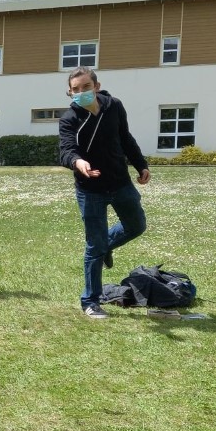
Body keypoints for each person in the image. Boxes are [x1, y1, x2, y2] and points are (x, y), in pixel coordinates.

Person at [57, 67, 150, 319]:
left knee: (137, 225)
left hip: (120, 183)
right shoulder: (69, 119)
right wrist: (78, 163)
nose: (81, 93)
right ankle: (90, 300)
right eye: (75, 90)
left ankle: (106, 245)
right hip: (90, 190)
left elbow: (126, 138)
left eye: (85, 87)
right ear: (70, 92)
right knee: (93, 245)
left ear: (96, 87)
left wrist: (140, 164)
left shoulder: (114, 106)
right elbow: (66, 151)